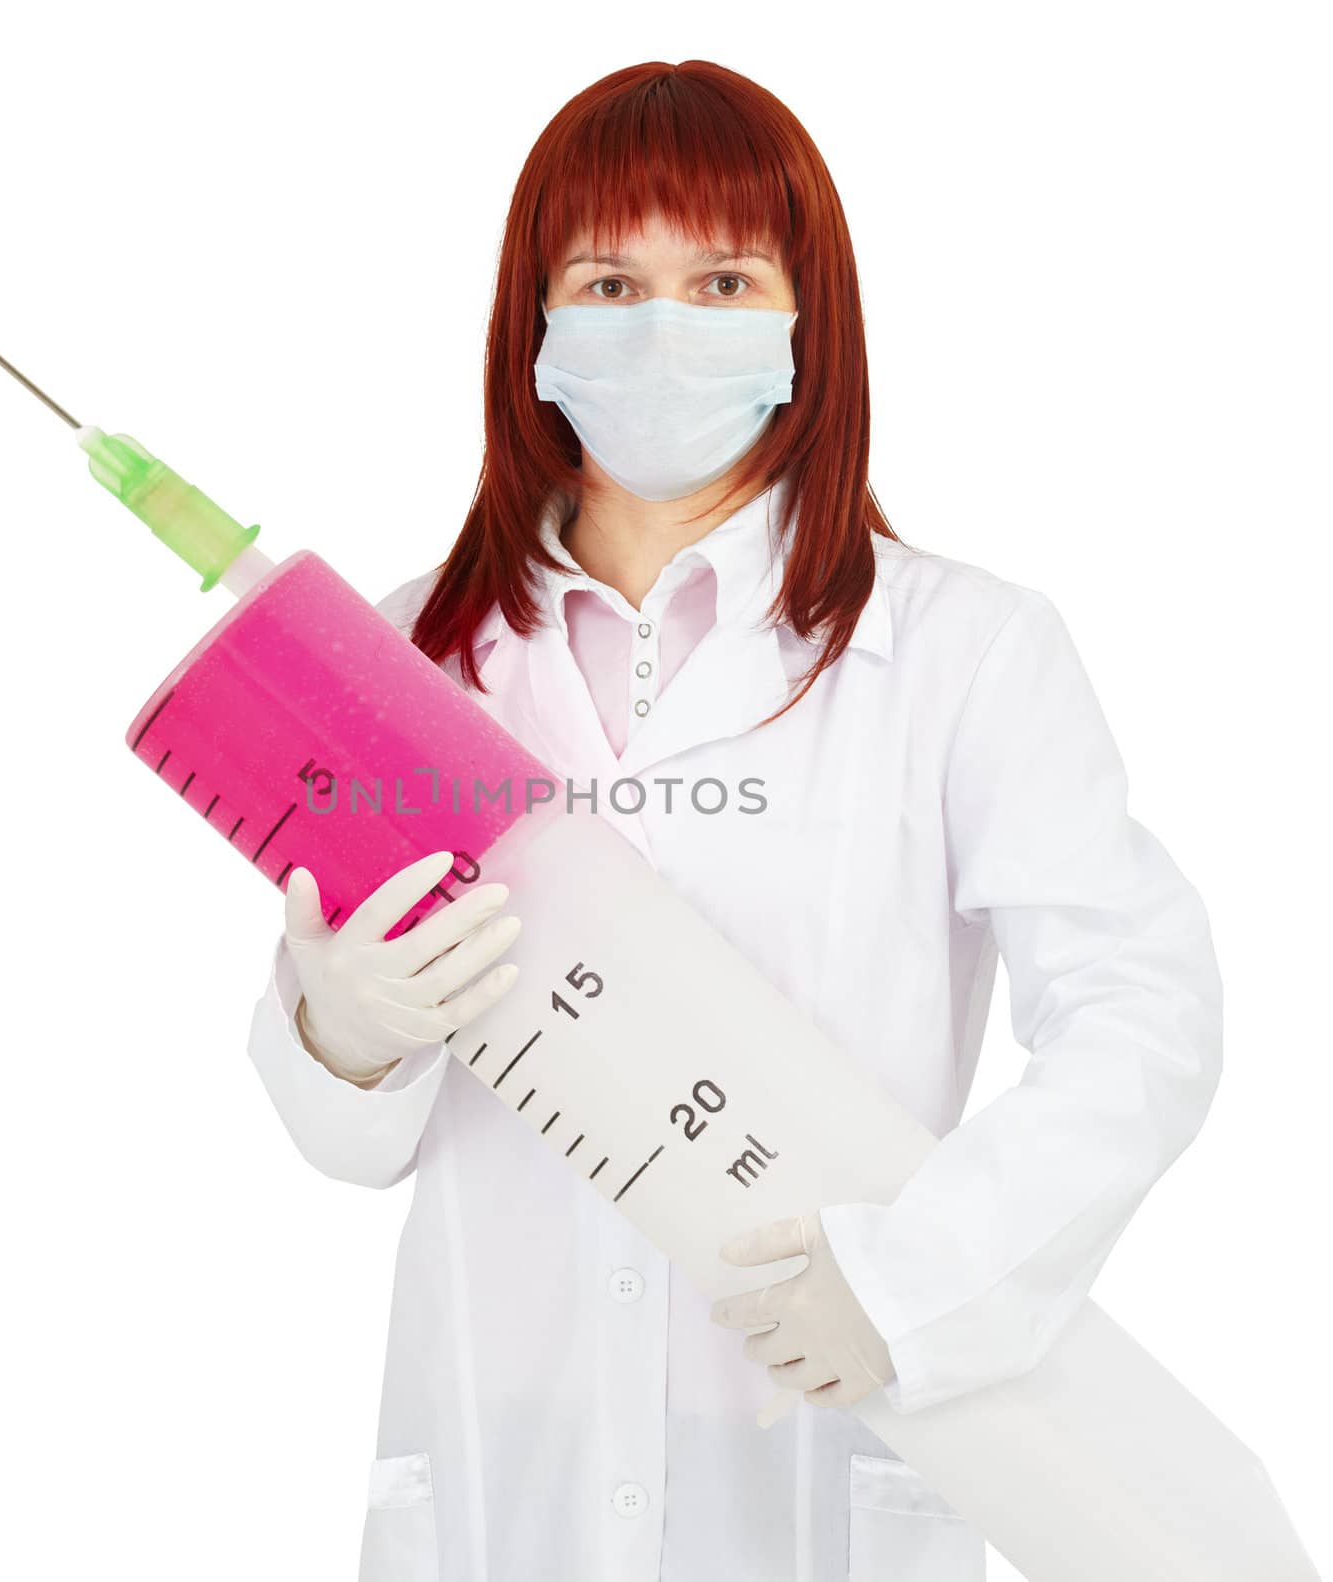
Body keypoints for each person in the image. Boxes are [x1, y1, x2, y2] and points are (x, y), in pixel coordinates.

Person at [245, 59, 1223, 1582]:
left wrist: (919, 1279)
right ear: (537, 326)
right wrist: (339, 1031)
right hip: (513, 1457)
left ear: (802, 322)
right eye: (610, 279)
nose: (663, 328)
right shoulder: (406, 662)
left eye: (720, 279)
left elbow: (1143, 1013)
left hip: (821, 1437)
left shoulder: (965, 653)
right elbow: (340, 1138)